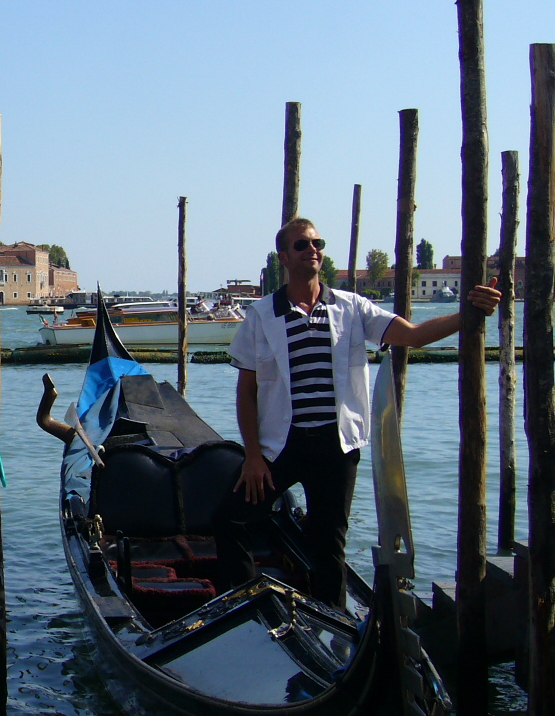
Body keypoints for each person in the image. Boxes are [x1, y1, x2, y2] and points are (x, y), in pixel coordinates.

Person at [214, 217, 501, 608]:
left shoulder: (351, 307)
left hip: (336, 443)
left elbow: (413, 337)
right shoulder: (262, 315)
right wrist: (251, 456)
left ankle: (331, 623)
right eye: (302, 245)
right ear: (284, 256)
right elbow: (246, 391)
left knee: (329, 542)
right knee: (230, 520)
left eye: (318, 243)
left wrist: (469, 314)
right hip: (281, 444)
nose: (313, 250)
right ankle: (246, 607)